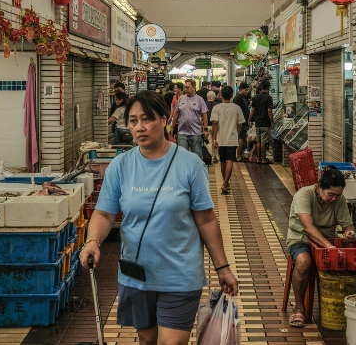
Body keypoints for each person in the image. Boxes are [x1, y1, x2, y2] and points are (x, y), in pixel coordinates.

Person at [80, 91, 238, 345]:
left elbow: (206, 220)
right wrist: (93, 241)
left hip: (180, 274)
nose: (139, 127)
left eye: (147, 119)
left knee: (171, 343)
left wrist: (222, 267)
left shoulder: (191, 165)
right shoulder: (120, 166)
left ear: (164, 120)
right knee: (147, 339)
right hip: (136, 273)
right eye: (133, 121)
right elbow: (105, 213)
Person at [285, 167, 355, 327]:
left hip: (328, 240)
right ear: (319, 186)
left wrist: (350, 233)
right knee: (303, 261)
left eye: (338, 195)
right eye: (331, 194)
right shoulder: (303, 195)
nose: (335, 199)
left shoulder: (339, 199)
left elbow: (348, 225)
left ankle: (341, 308)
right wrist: (330, 248)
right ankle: (299, 309)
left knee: (353, 262)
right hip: (301, 239)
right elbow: (308, 227)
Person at [209, 86, 245, 194]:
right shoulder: (236, 108)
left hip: (221, 138)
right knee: (230, 160)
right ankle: (225, 183)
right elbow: (240, 125)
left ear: (220, 95)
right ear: (232, 95)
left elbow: (214, 123)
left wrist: (214, 138)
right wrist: (236, 133)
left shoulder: (217, 108)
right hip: (232, 138)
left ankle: (225, 183)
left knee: (223, 161)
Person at [169, 80, 209, 163]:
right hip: (182, 133)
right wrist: (172, 127)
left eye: (187, 87)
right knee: (182, 157)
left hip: (196, 134)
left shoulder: (199, 100)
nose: (185, 89)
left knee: (197, 157)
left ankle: (197, 173)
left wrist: (205, 129)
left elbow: (204, 115)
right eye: (185, 87)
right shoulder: (181, 99)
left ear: (194, 87)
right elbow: (176, 114)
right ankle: (184, 174)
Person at [249, 84, 275, 164]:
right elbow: (269, 111)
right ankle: (264, 159)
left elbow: (252, 110)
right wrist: (272, 122)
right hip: (265, 122)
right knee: (263, 141)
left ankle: (258, 159)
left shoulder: (256, 97)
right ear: (268, 88)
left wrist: (249, 119)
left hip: (257, 122)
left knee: (258, 141)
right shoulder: (269, 97)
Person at [232, 83, 252, 161]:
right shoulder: (238, 98)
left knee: (242, 138)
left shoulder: (242, 98)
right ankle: (239, 156)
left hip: (243, 121)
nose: (247, 92)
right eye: (246, 90)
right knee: (241, 138)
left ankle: (240, 155)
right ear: (241, 89)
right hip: (241, 122)